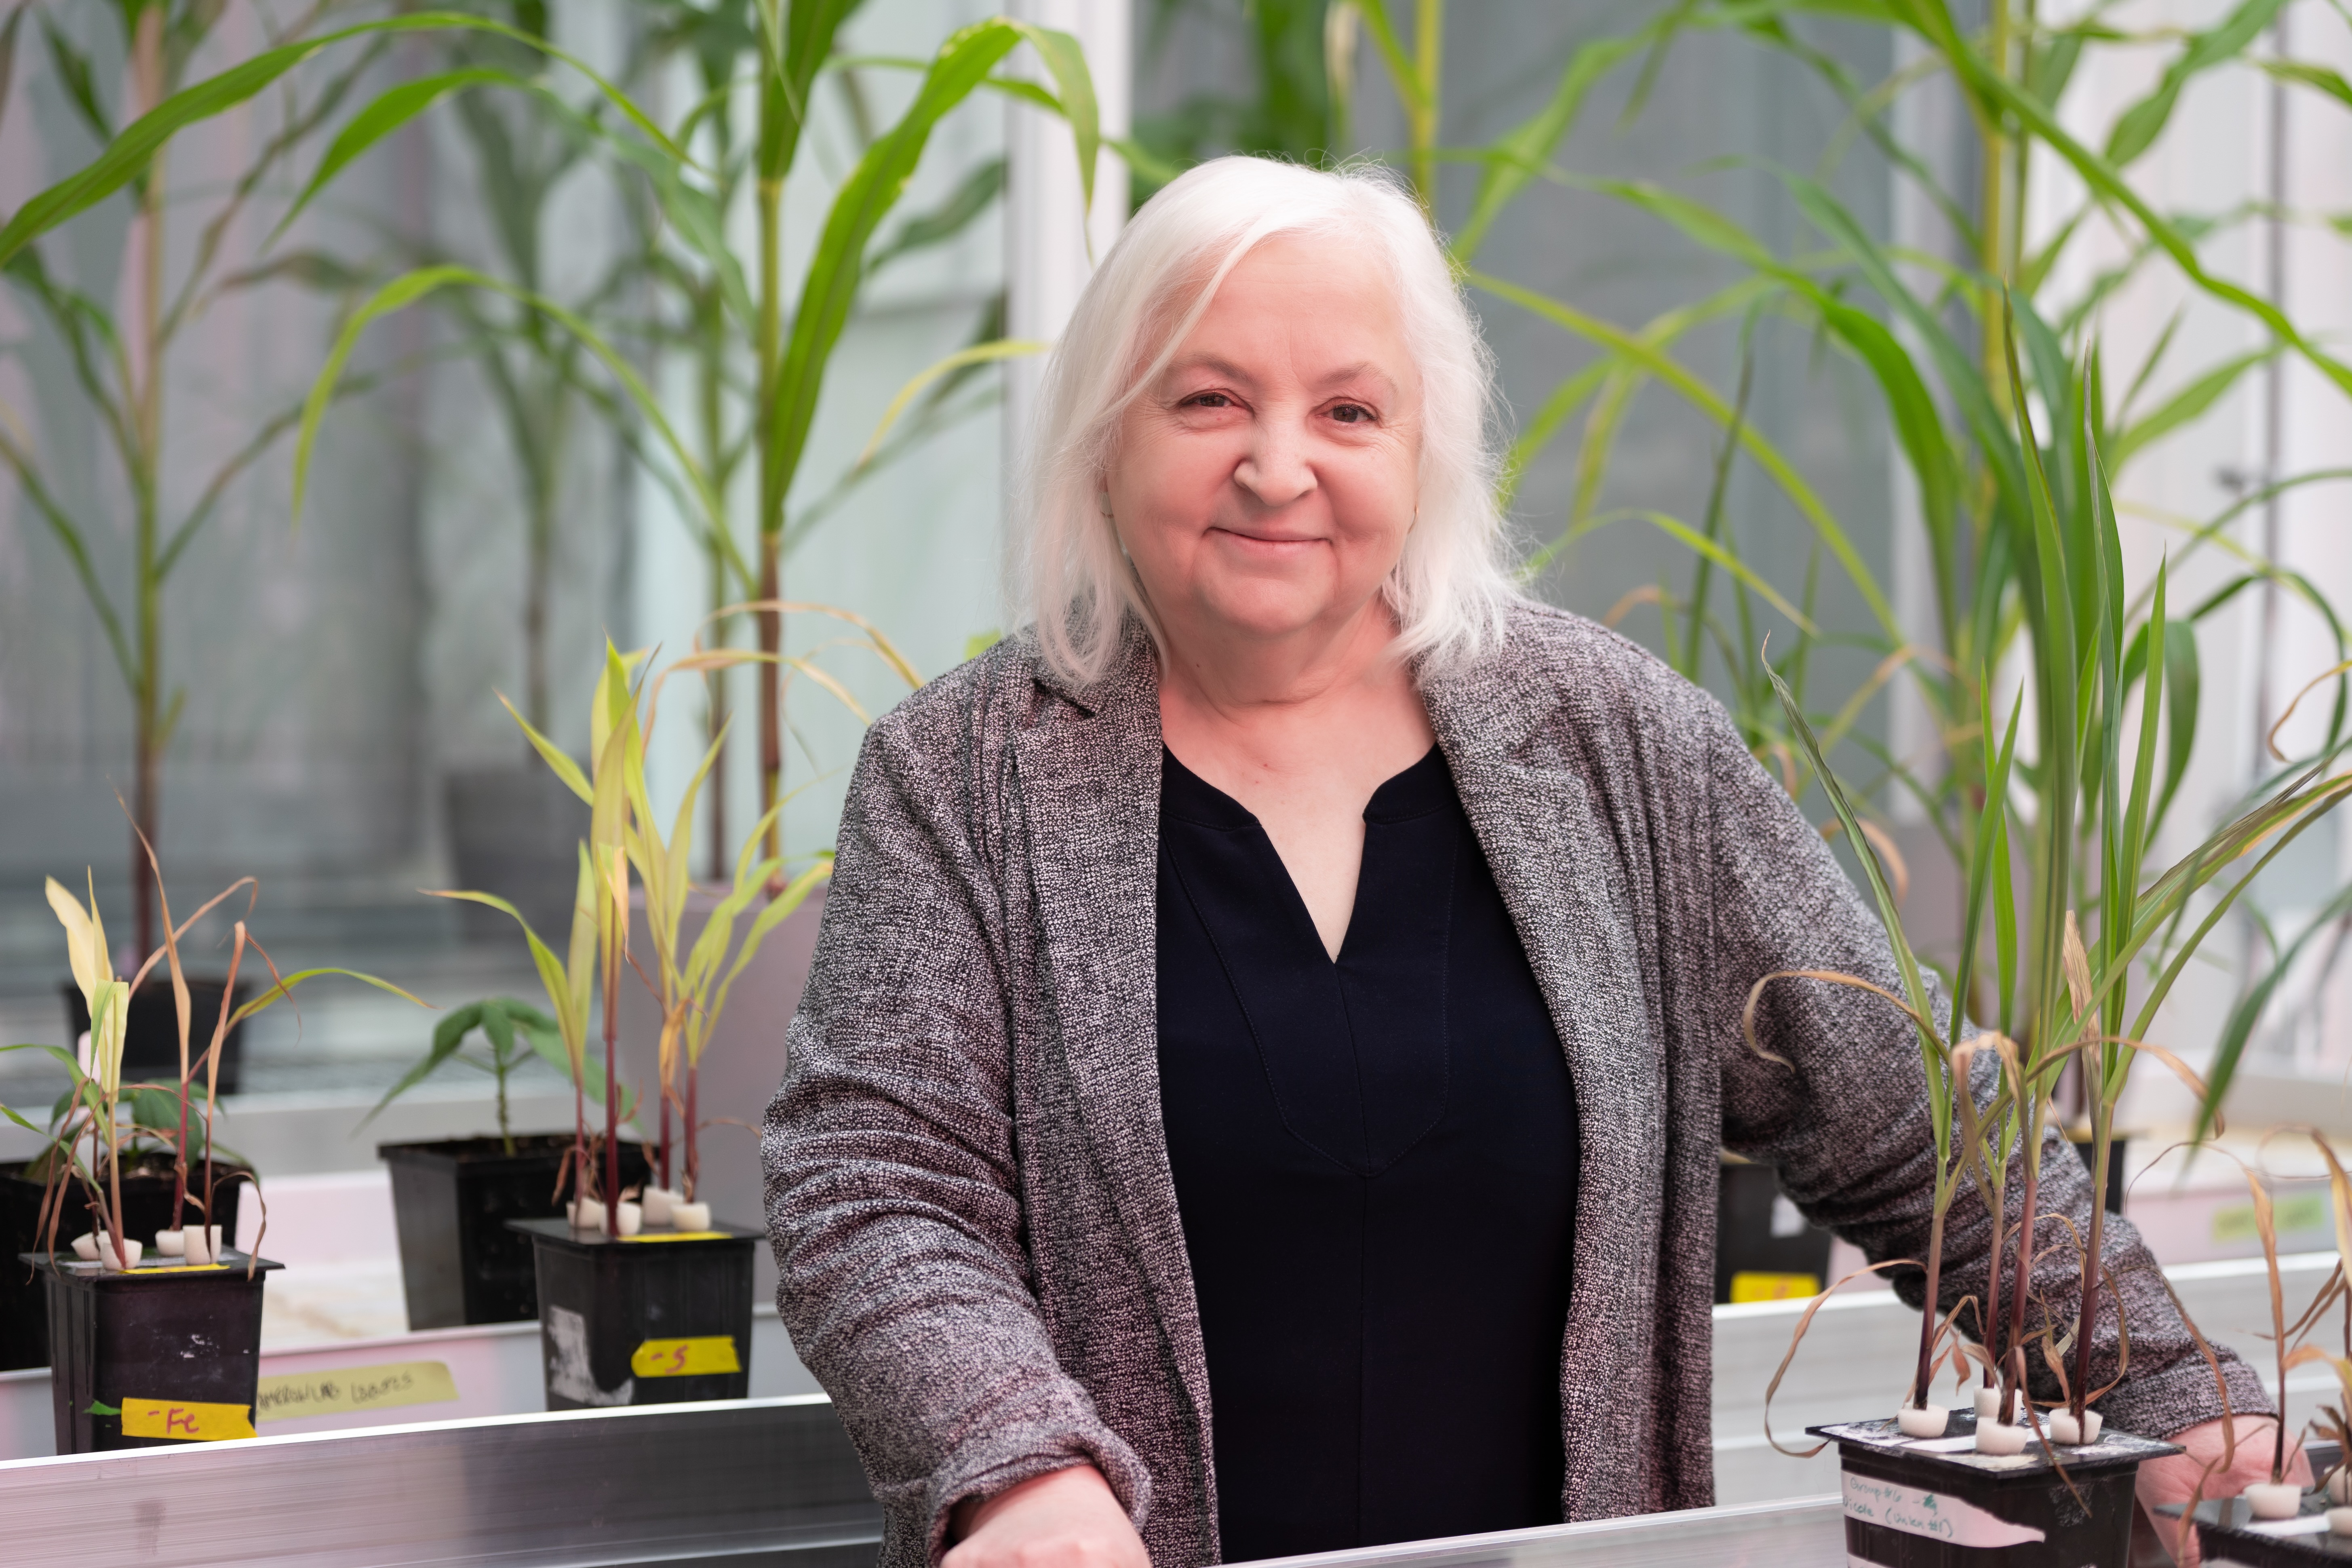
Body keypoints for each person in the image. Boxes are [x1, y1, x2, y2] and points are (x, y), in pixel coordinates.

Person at [762, 156, 2291, 1568]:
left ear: (1424, 450)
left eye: (1348, 412)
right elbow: (876, 1183)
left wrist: (2164, 1382)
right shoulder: (964, 771)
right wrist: (1014, 1461)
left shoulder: (1616, 742)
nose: (1279, 468)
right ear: (1107, 437)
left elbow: (1913, 1132)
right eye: (1209, 400)